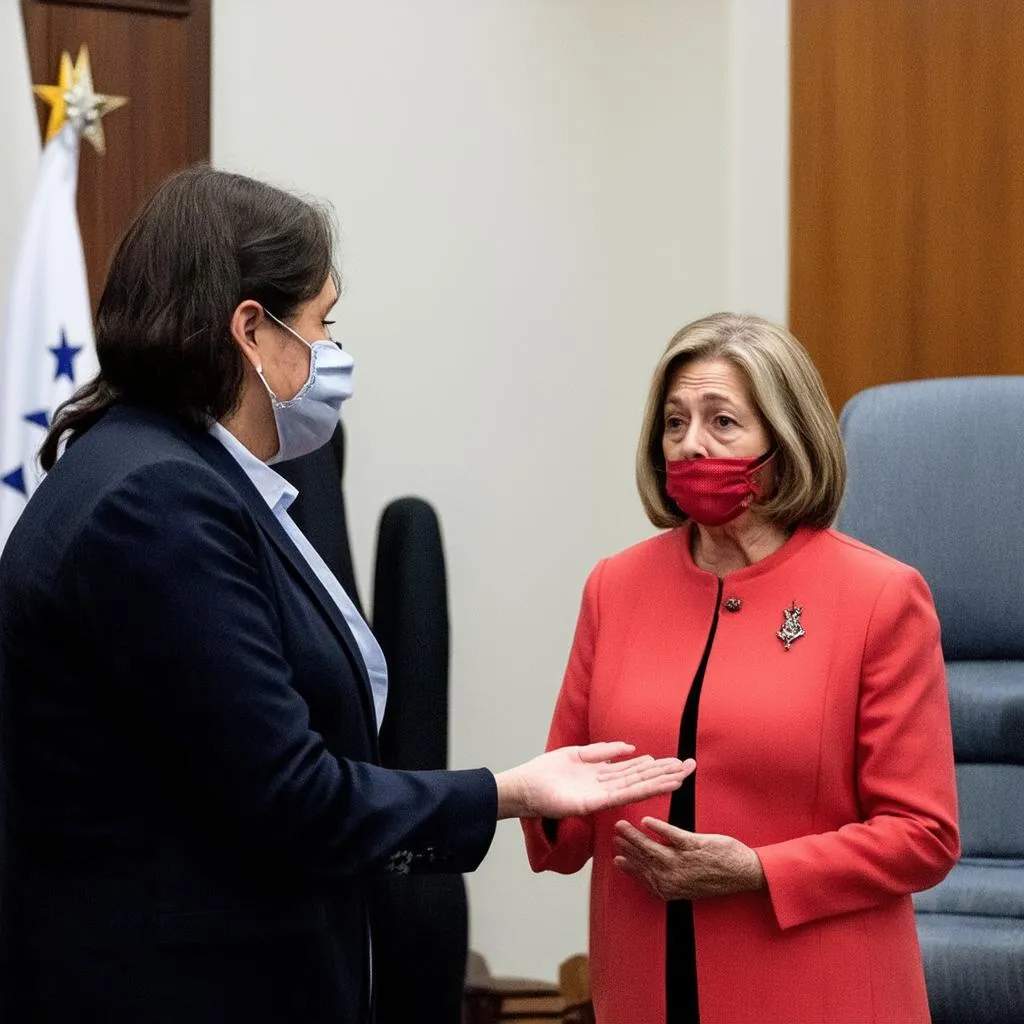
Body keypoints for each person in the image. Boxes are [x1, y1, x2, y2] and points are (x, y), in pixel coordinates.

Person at [0, 167, 690, 1024]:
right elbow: (294, 797)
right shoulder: (161, 501)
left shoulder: (164, 468)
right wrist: (513, 791)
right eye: (322, 323)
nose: (332, 352)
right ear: (250, 329)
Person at [522, 313, 960, 1023]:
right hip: (644, 989)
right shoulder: (615, 586)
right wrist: (524, 799)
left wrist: (758, 870)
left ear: (784, 444)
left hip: (820, 992)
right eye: (674, 422)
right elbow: (565, 831)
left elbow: (924, 836)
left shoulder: (879, 596)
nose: (690, 443)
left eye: (722, 422)